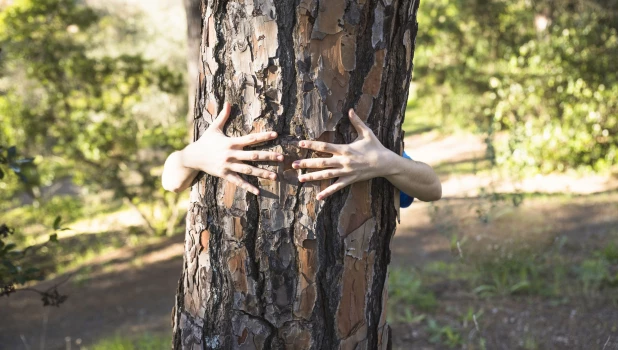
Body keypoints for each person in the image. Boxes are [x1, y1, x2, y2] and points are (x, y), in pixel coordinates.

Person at [162, 102, 442, 204]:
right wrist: (192, 157)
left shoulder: (368, 156)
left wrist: (386, 162)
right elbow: (171, 181)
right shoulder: (208, 150)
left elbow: (432, 188)